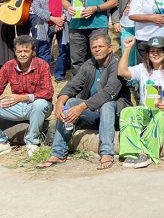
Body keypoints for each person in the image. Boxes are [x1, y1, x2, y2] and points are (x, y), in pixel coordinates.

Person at [37, 34, 130, 170]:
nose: (97, 49)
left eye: (101, 46)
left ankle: (107, 153)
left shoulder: (116, 63)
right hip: (94, 112)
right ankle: (58, 152)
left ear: (110, 48)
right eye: (94, 47)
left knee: (107, 103)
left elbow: (109, 92)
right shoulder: (89, 64)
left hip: (116, 113)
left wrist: (82, 106)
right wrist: (60, 103)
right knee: (70, 102)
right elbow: (72, 86)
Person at [117, 36, 164, 168]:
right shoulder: (143, 68)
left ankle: (147, 153)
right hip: (148, 110)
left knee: (161, 116)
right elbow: (122, 71)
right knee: (127, 112)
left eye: (159, 51)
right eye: (152, 51)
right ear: (148, 54)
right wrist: (127, 49)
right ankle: (131, 152)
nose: (155, 54)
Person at [0, 36, 53, 157]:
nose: (22, 54)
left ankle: (32, 143)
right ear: (15, 51)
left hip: (37, 107)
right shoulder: (8, 66)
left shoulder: (42, 65)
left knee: (39, 104)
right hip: (16, 107)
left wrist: (23, 97)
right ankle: (0, 142)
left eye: (26, 51)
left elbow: (48, 92)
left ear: (33, 51)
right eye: (19, 51)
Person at [62, 0, 117, 76]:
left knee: (100, 57)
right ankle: (79, 88)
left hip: (97, 25)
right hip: (76, 25)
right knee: (77, 60)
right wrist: (69, 7)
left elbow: (113, 1)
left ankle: (100, 86)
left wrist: (96, 8)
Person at [31, 0, 70, 81]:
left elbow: (70, 3)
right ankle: (44, 74)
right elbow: (36, 7)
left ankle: (59, 74)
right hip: (45, 23)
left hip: (63, 22)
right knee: (43, 50)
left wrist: (62, 19)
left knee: (63, 49)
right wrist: (52, 18)